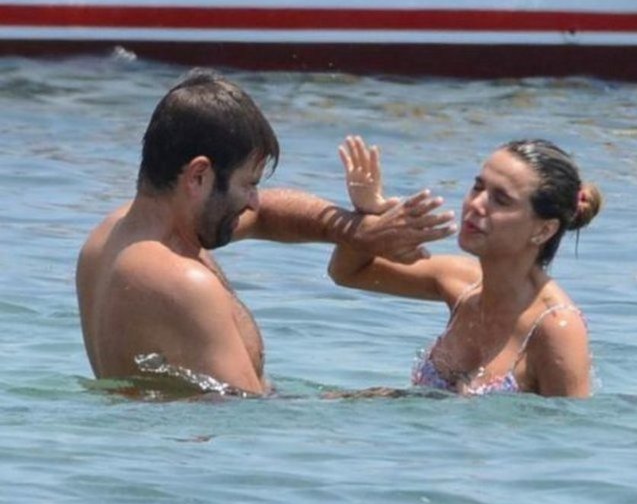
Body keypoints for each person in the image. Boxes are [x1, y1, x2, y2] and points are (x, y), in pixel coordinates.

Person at [76, 69, 454, 396]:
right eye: (249, 184)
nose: (254, 202)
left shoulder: (111, 237)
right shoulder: (182, 281)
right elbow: (248, 419)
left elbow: (268, 215)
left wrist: (357, 231)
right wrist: (365, 402)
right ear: (198, 176)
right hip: (198, 451)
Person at [329, 136, 603, 397]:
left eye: (501, 199)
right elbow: (348, 272)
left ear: (544, 230)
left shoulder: (556, 329)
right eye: (478, 187)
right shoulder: (460, 282)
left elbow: (568, 427)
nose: (476, 204)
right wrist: (370, 213)